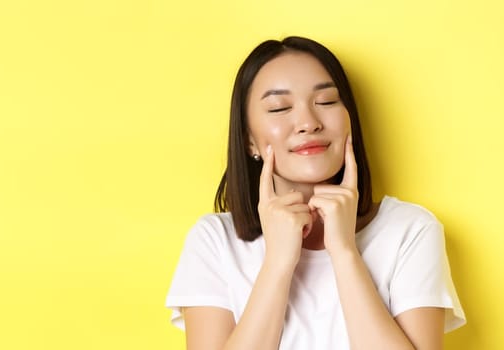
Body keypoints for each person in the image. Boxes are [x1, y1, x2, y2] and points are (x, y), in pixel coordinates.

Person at [165, 36, 466, 350]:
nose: (308, 123)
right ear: (248, 141)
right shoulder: (214, 240)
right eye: (279, 108)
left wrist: (345, 251)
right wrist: (278, 262)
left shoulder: (410, 230)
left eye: (326, 102)